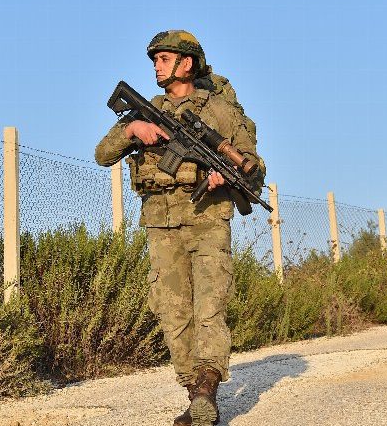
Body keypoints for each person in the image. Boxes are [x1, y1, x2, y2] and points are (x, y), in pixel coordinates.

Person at [95, 30, 265, 426]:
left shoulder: (222, 112)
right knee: (172, 312)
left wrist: (226, 176)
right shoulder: (148, 110)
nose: (156, 66)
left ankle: (207, 390)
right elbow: (102, 154)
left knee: (210, 306)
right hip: (161, 223)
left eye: (164, 58)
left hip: (207, 220)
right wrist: (132, 131)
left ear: (186, 63)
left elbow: (254, 168)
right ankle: (195, 398)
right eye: (154, 59)